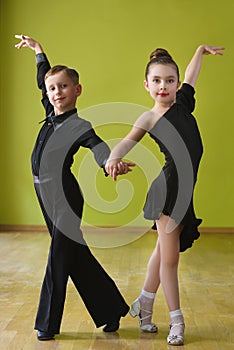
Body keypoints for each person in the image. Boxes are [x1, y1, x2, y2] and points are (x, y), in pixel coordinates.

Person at [15, 34, 134, 341]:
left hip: (64, 197)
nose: (56, 92)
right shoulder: (49, 110)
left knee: (58, 258)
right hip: (44, 194)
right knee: (74, 256)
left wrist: (110, 162)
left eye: (63, 87)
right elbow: (44, 76)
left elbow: (97, 146)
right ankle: (111, 309)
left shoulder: (78, 125)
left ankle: (48, 324)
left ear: (77, 90)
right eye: (52, 89)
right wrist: (39, 51)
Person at [105, 44, 224, 345]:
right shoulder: (148, 118)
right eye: (157, 81)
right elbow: (125, 144)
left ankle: (144, 306)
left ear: (176, 83)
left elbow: (192, 75)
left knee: (161, 252)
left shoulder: (183, 104)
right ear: (147, 85)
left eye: (169, 80)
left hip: (185, 191)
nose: (163, 86)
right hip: (168, 192)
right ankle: (177, 321)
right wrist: (111, 160)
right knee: (170, 260)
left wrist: (199, 51)